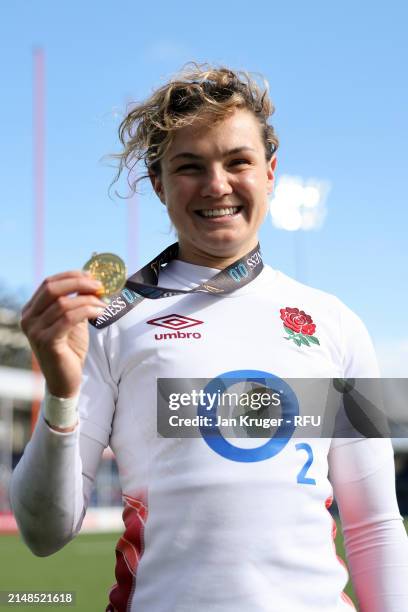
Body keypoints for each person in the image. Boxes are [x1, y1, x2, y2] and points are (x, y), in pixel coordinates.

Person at [10, 63, 408, 611]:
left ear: (270, 172)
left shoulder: (335, 322)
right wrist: (59, 391)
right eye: (190, 166)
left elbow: (374, 523)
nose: (217, 185)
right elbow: (44, 533)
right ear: (159, 184)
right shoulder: (108, 322)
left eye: (237, 161)